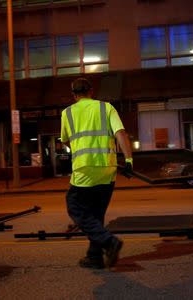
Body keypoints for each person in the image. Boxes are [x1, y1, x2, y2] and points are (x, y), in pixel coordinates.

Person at [61, 78, 133, 269]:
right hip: (107, 170)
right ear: (91, 91)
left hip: (84, 169)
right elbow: (121, 134)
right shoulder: (106, 108)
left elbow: (65, 141)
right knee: (96, 214)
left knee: (74, 206)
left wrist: (78, 148)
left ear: (74, 95)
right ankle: (94, 257)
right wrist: (129, 160)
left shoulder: (67, 113)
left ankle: (109, 242)